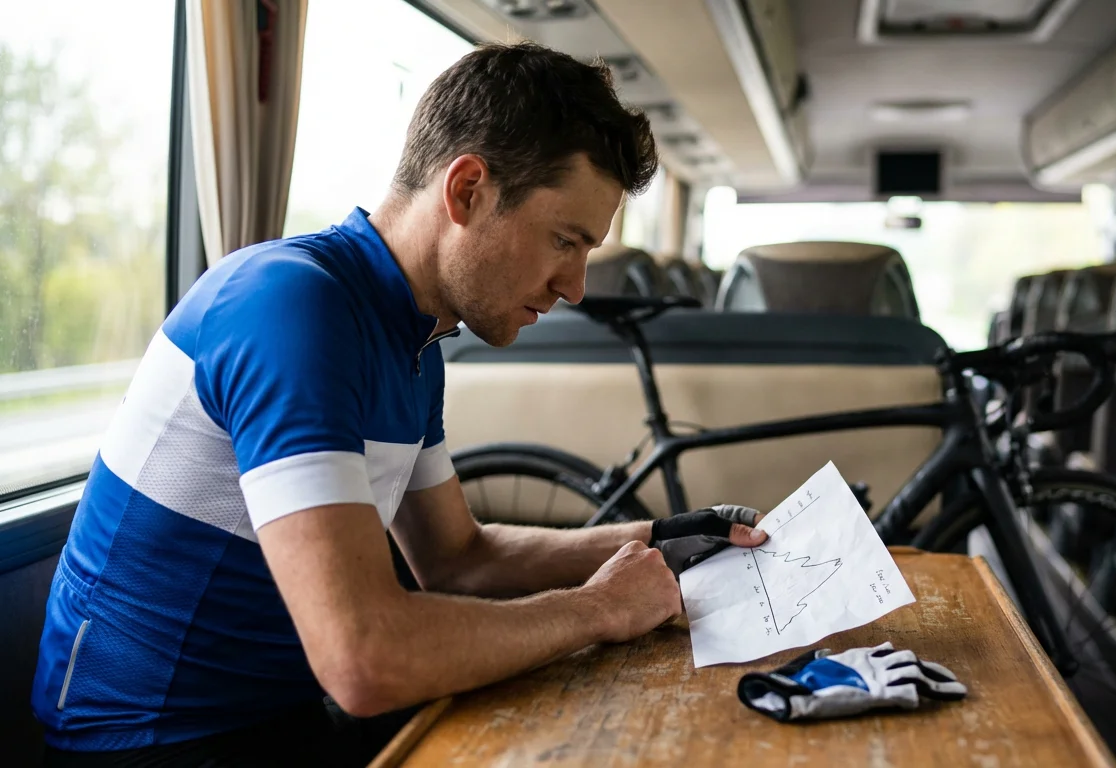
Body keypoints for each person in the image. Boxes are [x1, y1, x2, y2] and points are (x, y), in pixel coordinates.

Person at [32, 41, 767, 767]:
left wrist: (661, 537)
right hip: (156, 741)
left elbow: (457, 559)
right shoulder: (294, 308)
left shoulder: (415, 340)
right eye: (564, 240)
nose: (574, 285)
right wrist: (599, 610)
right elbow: (364, 660)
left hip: (279, 717)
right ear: (467, 190)